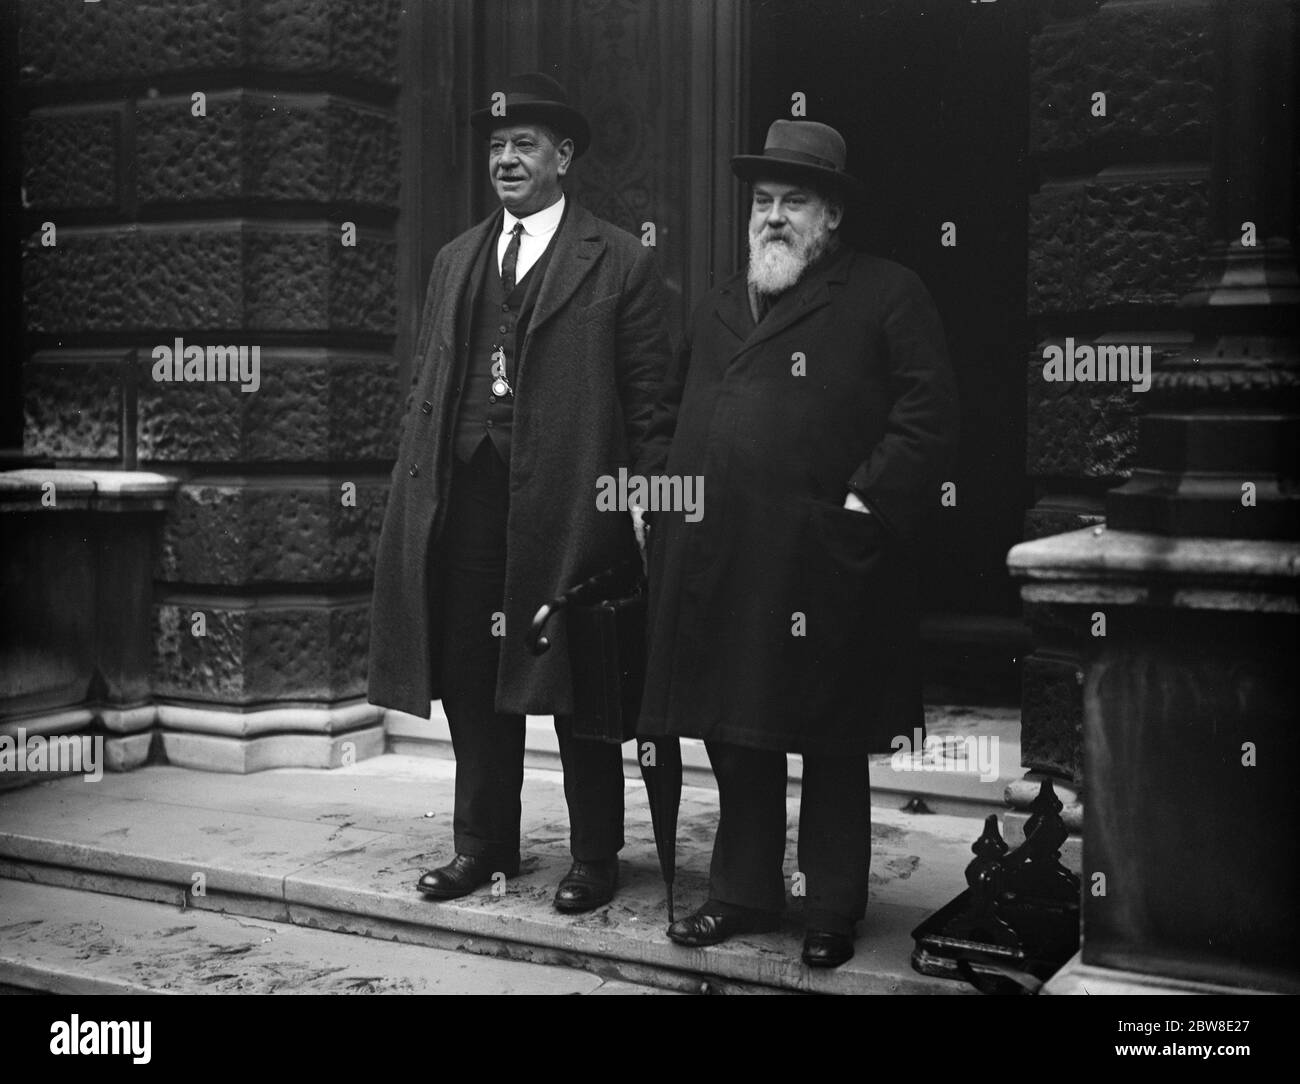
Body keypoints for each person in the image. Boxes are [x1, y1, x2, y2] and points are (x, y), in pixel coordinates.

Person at [639, 119, 959, 967]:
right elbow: (668, 413)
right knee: (732, 727)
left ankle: (831, 907)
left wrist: (863, 501)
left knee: (827, 732)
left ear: (833, 215)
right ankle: (741, 892)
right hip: (719, 555)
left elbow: (928, 416)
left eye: (795, 201)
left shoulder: (887, 292)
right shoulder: (715, 302)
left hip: (823, 559)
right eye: (764, 201)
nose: (773, 217)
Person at [368, 73, 671, 913]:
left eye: (525, 144)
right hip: (465, 500)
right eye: (497, 146)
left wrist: (640, 505)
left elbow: (650, 401)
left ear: (564, 157)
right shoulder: (456, 258)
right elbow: (432, 378)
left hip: (572, 506)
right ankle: (483, 846)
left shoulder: (620, 258)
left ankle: (594, 858)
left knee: (581, 684)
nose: (506, 158)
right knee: (470, 676)